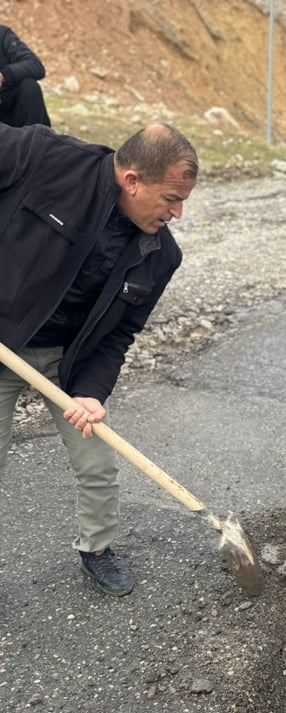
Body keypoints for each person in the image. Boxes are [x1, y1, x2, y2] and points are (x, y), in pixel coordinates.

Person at [0, 122, 198, 596]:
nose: (179, 212)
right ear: (132, 181)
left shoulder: (160, 256)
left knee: (98, 463)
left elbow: (120, 335)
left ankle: (97, 549)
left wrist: (91, 392)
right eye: (171, 198)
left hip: (69, 362)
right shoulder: (43, 158)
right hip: (5, 340)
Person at [0, 25, 51, 127]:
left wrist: (4, 75)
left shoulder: (3, 35)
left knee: (29, 86)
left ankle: (38, 139)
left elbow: (36, 66)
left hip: (13, 112)